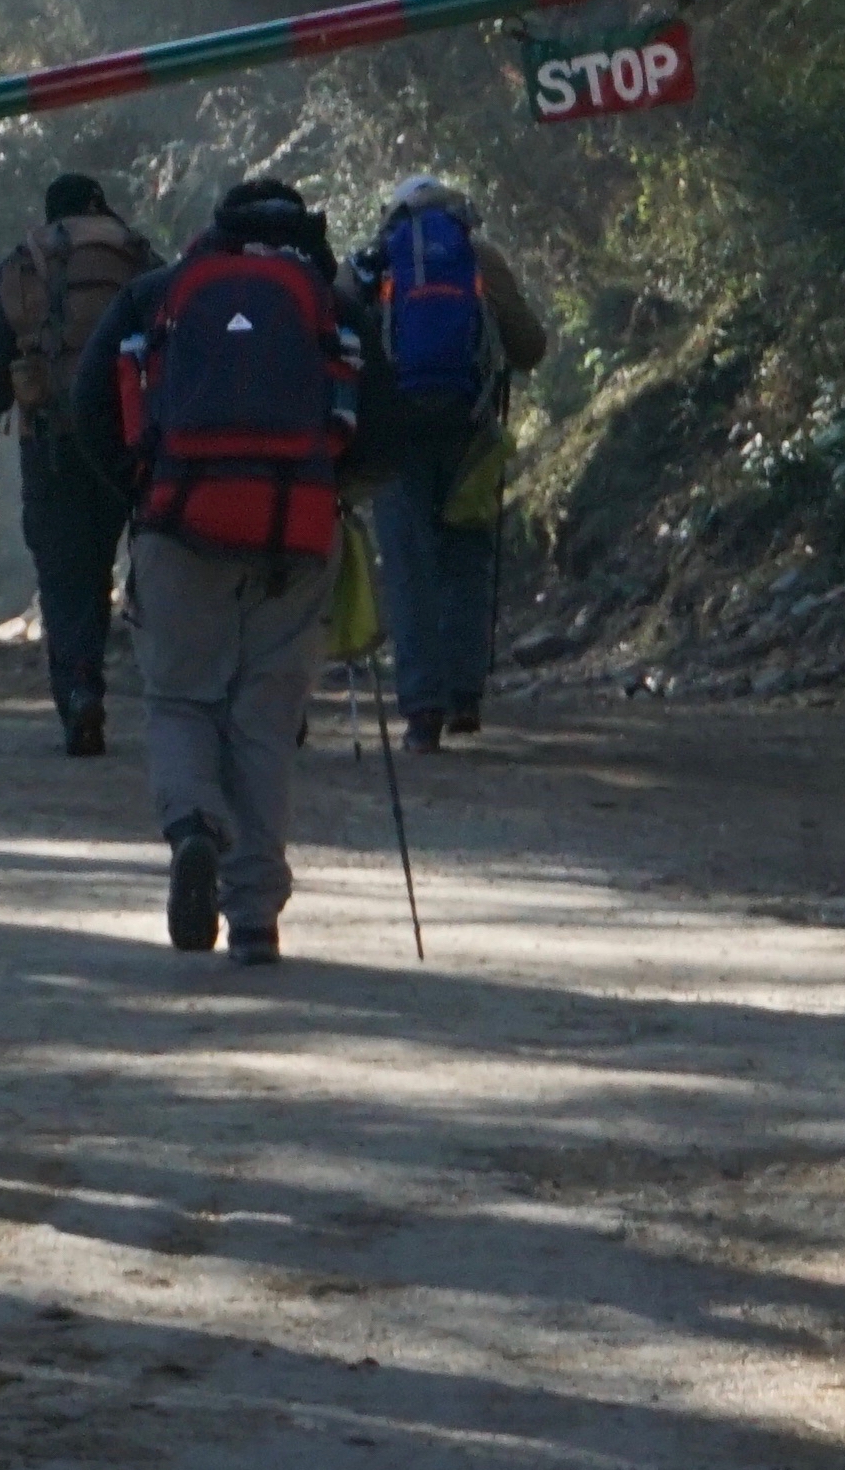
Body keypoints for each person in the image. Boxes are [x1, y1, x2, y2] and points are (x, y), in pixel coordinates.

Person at [70, 174, 357, 966]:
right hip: (297, 527)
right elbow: (390, 418)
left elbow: (88, 401)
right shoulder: (329, 299)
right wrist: (335, 487)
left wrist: (139, 487)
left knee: (181, 700)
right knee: (264, 719)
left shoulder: (157, 292)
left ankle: (194, 822)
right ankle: (255, 915)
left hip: (179, 520)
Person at [346, 175, 548, 746]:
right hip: (469, 428)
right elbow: (530, 348)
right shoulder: (480, 258)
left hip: (395, 435)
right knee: (466, 555)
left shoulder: (371, 263)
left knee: (408, 566)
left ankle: (422, 711)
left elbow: (338, 341)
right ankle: (464, 694)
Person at [0, 173, 161, 755]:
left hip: (51, 439)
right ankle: (178, 689)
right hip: (128, 440)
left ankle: (80, 688)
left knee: (65, 574)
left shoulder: (24, 260)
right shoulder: (137, 255)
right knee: (146, 559)